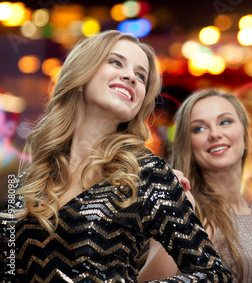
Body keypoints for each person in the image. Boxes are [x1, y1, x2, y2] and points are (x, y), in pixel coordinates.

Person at [0, 30, 232, 282]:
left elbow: (214, 274)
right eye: (116, 62)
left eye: (141, 76)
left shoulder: (148, 173)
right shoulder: (28, 180)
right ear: (80, 76)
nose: (131, 76)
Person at [139, 89, 252, 282]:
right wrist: (179, 216)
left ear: (246, 136)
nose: (215, 134)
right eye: (199, 128)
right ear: (188, 145)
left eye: (225, 122)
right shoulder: (184, 211)